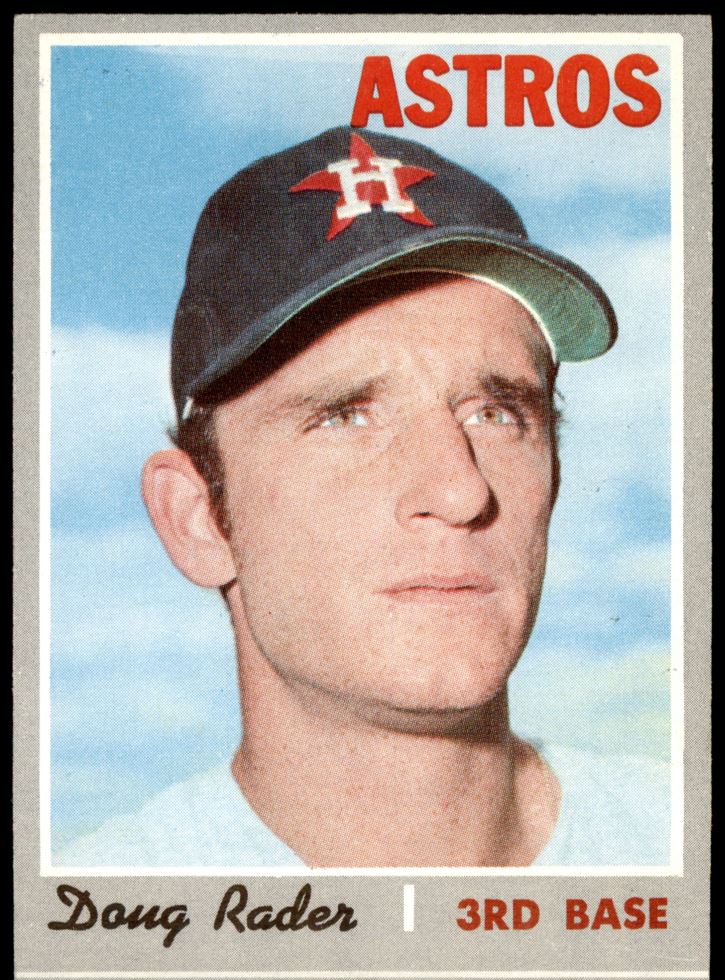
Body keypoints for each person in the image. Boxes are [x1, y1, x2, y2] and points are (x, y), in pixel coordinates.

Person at [58, 127, 668, 868]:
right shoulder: (103, 905)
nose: (460, 489)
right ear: (197, 520)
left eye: (496, 413)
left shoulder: (673, 840)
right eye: (345, 416)